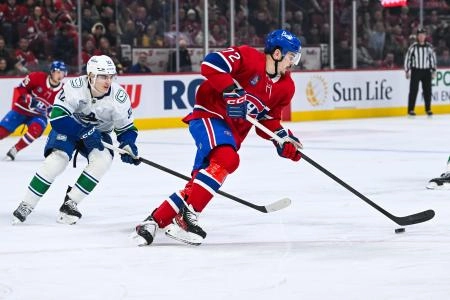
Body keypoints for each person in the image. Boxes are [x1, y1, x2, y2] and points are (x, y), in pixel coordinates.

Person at [134, 29, 302, 246]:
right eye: (291, 57)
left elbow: (266, 123)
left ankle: (153, 221)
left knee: (197, 185)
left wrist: (283, 140)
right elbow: (210, 64)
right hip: (209, 115)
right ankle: (187, 217)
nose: (294, 63)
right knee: (228, 159)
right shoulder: (249, 57)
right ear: (277, 54)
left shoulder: (286, 87)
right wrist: (231, 89)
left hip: (231, 134)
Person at [12, 55, 141, 225]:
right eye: (103, 76)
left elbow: (126, 129)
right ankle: (27, 204)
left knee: (103, 160)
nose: (108, 81)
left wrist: (128, 144)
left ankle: (70, 202)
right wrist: (83, 131)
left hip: (97, 134)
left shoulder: (119, 96)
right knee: (57, 160)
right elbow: (57, 118)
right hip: (70, 128)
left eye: (110, 76)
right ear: (91, 76)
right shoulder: (75, 86)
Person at [0, 60, 67, 160]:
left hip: (39, 116)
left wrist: (52, 112)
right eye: (58, 72)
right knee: (2, 132)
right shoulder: (37, 77)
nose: (61, 75)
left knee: (36, 129)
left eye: (63, 72)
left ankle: (15, 150)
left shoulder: (63, 91)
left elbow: (60, 109)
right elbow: (21, 87)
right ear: (52, 72)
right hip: (21, 109)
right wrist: (27, 96)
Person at [404, 28, 437, 117]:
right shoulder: (413, 47)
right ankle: (411, 110)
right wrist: (407, 70)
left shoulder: (429, 47)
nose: (422, 36)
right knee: (413, 90)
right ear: (417, 36)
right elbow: (408, 59)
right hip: (416, 70)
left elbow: (432, 59)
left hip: (426, 71)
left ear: (425, 36)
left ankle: (428, 109)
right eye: (420, 35)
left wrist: (433, 71)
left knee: (427, 91)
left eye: (423, 34)